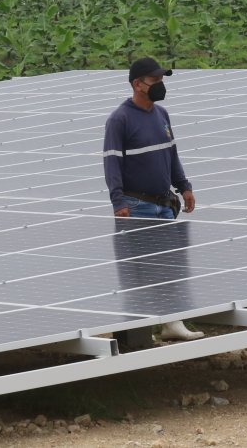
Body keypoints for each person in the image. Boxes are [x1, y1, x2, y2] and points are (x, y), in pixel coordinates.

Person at [103, 56, 203, 341]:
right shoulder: (119, 120)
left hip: (164, 204)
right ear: (138, 84)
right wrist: (118, 202)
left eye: (162, 80)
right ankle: (137, 333)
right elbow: (111, 164)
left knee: (169, 267)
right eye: (155, 80)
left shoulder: (162, 114)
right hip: (137, 205)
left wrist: (184, 186)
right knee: (139, 271)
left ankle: (173, 324)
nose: (160, 85)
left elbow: (171, 154)